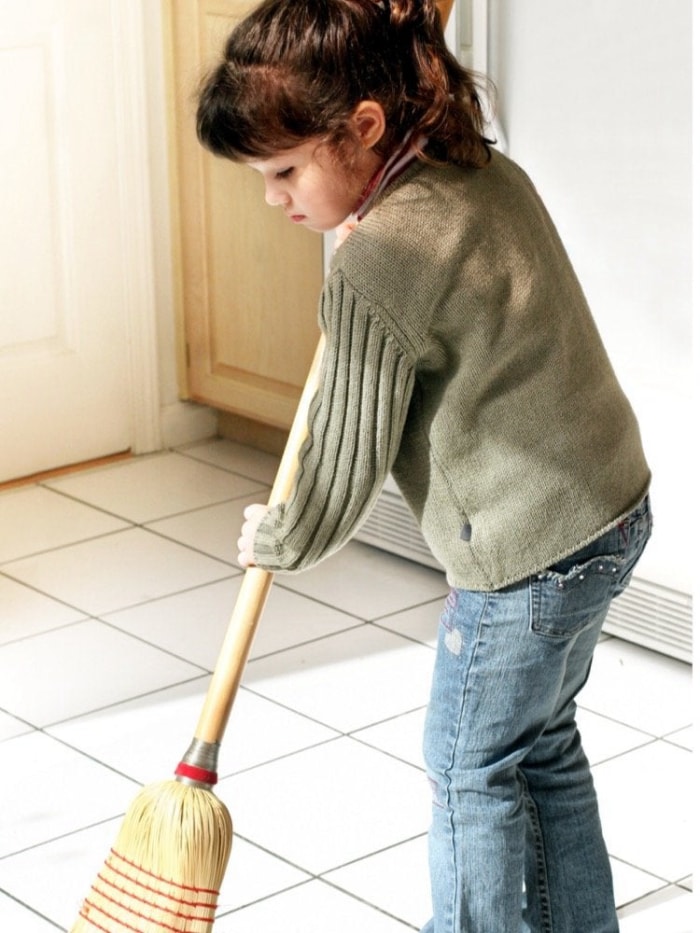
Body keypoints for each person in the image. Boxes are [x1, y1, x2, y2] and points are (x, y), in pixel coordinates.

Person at [196, 1, 652, 930]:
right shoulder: (480, 173)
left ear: (363, 128)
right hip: (608, 509)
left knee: (464, 764)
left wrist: (285, 533)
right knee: (539, 745)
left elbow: (346, 445)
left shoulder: (379, 261)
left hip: (523, 557)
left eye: (285, 170)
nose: (274, 197)